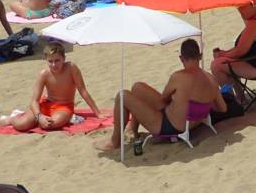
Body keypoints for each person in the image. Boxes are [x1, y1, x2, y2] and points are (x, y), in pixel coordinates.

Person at [95, 39, 226, 152]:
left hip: (170, 127)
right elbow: (222, 108)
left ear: (181, 58)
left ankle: (114, 142)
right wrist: (202, 105)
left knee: (122, 96)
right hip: (190, 122)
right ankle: (132, 130)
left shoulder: (179, 77)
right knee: (137, 87)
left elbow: (164, 98)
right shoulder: (211, 79)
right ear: (200, 56)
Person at [8, 43, 99, 132]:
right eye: (50, 61)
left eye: (57, 60)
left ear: (64, 58)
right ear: (46, 60)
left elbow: (83, 91)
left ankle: (64, 118)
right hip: (45, 104)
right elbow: (34, 101)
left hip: (64, 107)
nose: (54, 65)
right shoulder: (44, 74)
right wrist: (39, 116)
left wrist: (98, 113)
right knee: (21, 125)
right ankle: (12, 118)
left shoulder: (71, 68)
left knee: (49, 125)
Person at [210, 0, 256, 96]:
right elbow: (241, 48)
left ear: (253, 5)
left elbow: (239, 52)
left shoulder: (254, 24)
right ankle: (240, 97)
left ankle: (232, 99)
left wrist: (221, 55)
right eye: (238, 7)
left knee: (216, 65)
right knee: (226, 61)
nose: (239, 10)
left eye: (242, 6)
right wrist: (224, 54)